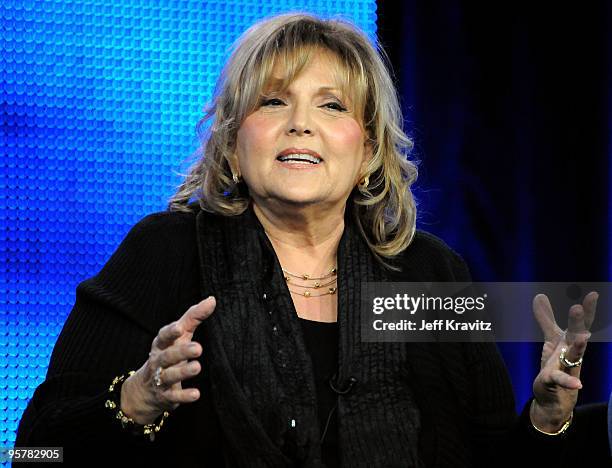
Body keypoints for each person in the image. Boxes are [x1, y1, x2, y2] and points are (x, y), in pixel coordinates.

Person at [15, 12, 608, 467]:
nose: (300, 122)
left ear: (369, 152)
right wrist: (137, 400)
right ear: (232, 144)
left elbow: (490, 458)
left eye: (331, 104)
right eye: (273, 101)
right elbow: (35, 453)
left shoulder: (432, 272)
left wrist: (548, 418)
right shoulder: (165, 251)